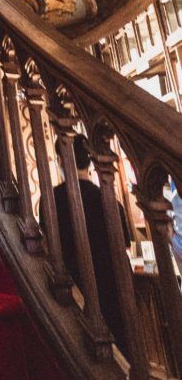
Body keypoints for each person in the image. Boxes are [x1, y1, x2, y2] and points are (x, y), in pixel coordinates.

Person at [41, 133, 130, 355]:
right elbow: (124, 250)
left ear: (60, 160)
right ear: (90, 161)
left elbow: (48, 250)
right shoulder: (111, 202)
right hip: (113, 294)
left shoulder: (51, 201)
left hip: (73, 294)